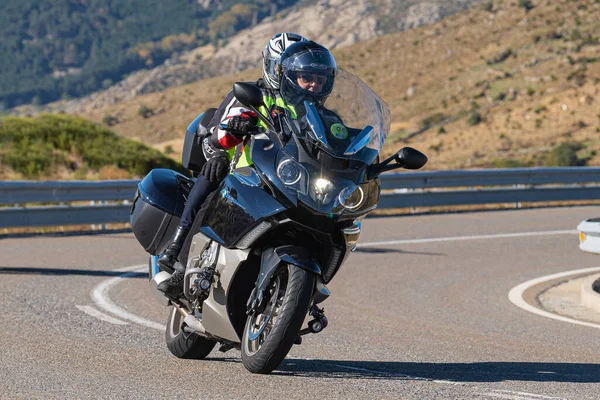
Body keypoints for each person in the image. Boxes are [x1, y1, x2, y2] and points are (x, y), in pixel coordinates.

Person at [157, 32, 308, 299]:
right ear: (274, 68)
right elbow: (219, 130)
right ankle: (178, 255)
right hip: (245, 173)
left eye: (308, 77)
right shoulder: (253, 95)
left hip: (286, 181)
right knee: (213, 179)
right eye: (297, 75)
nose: (304, 83)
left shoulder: (309, 110)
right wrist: (234, 131)